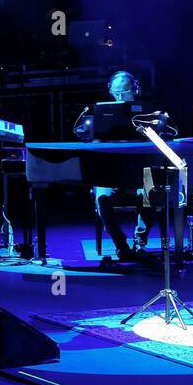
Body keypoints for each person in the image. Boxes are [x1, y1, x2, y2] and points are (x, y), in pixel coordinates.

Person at [76, 71, 149, 262]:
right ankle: (121, 245)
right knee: (102, 197)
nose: (120, 97)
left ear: (135, 89)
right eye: (116, 93)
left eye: (124, 92)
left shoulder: (148, 111)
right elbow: (84, 135)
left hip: (138, 172)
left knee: (149, 191)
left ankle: (140, 241)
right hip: (110, 173)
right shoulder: (100, 112)